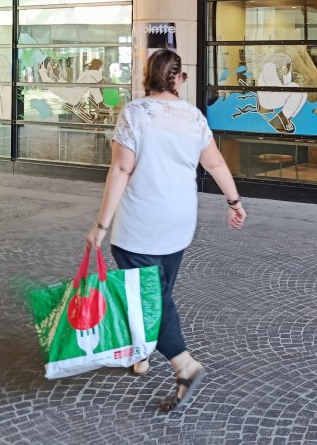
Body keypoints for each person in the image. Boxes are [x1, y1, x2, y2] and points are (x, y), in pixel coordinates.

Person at [84, 49, 247, 413]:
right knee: (159, 290)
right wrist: (234, 202)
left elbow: (121, 170)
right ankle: (141, 353)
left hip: (139, 224)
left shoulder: (135, 113)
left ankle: (185, 366)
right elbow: (216, 163)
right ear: (179, 78)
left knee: (151, 299)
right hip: (179, 222)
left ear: (147, 76)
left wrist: (101, 225)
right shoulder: (193, 116)